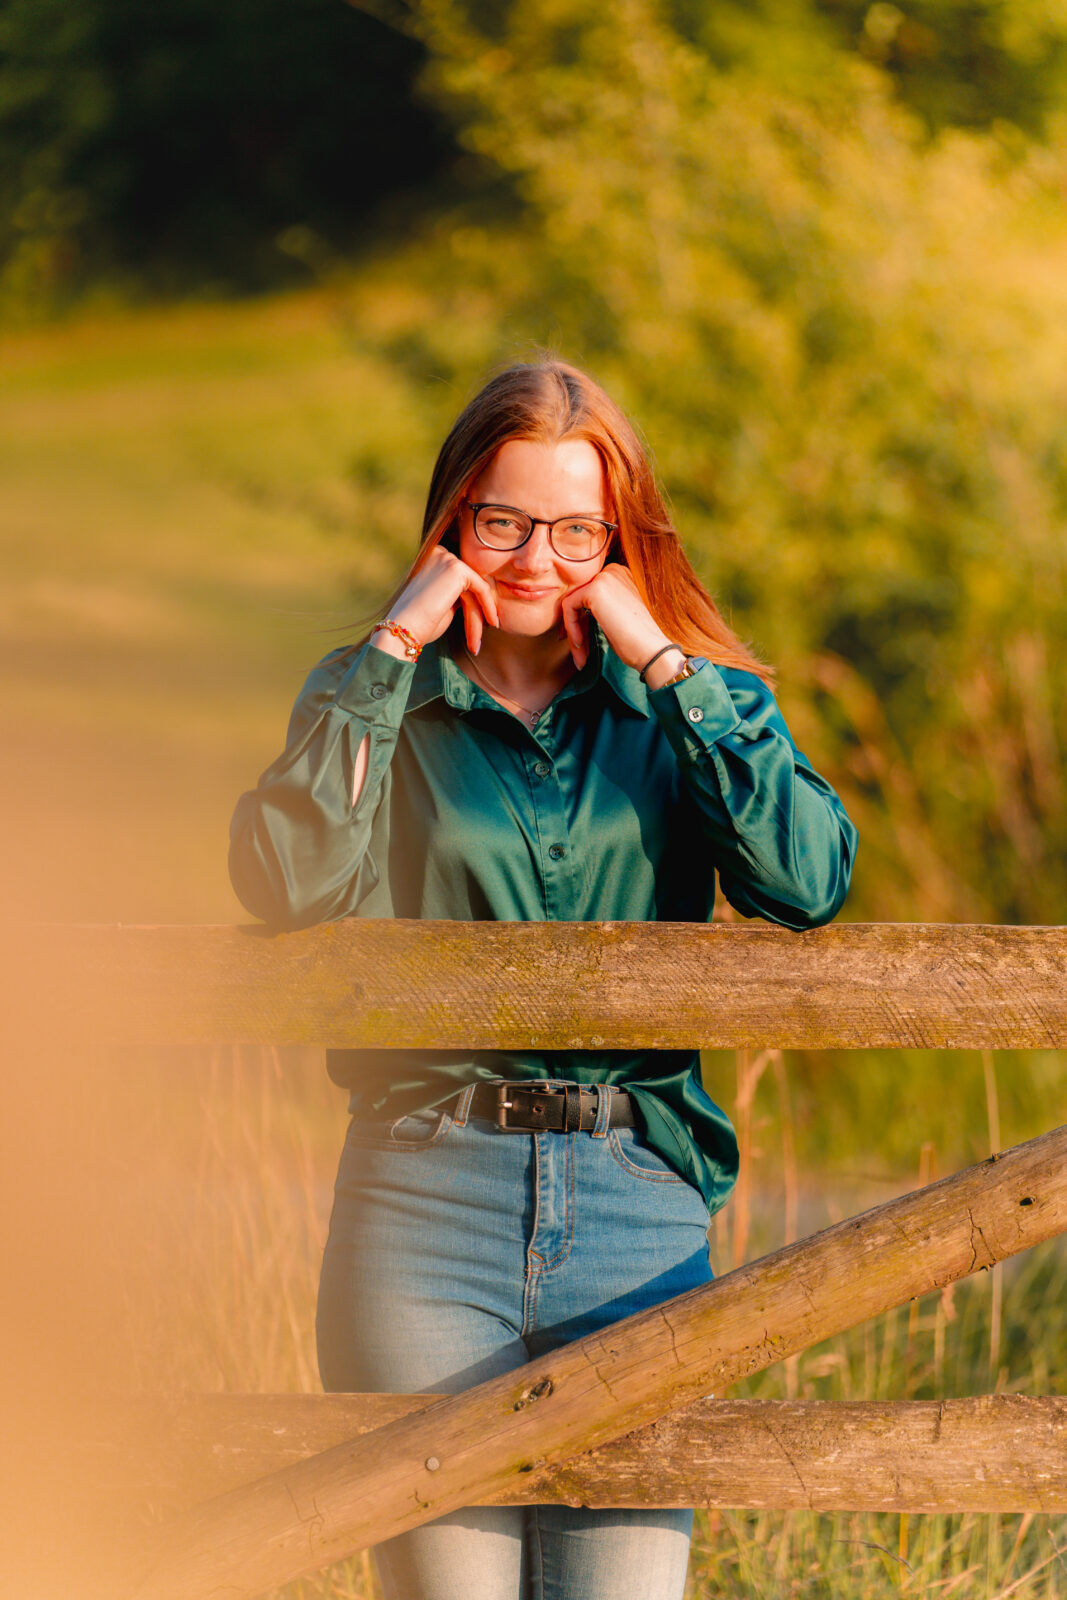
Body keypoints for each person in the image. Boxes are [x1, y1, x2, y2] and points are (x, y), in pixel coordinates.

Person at [229, 360, 857, 1600]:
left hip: (638, 1201)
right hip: (424, 1205)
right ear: (451, 518)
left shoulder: (681, 698)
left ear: (620, 541)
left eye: (577, 529)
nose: (533, 558)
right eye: (501, 520)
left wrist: (665, 665)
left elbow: (805, 878)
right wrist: (396, 640)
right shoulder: (373, 691)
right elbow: (286, 878)